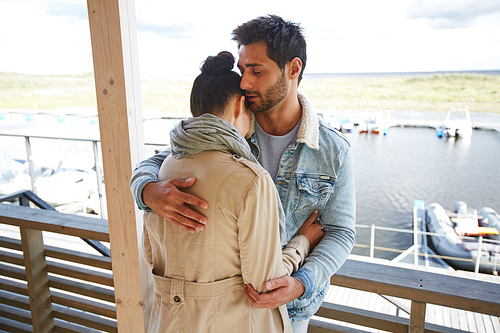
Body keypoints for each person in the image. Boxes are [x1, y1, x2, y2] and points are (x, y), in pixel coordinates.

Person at [131, 15, 356, 333]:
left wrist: (302, 282)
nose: (245, 82)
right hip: (231, 312)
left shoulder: (334, 151)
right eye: (243, 69)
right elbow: (163, 159)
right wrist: (146, 190)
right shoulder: (233, 126)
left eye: (256, 70)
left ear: (293, 69)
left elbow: (341, 232)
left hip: (294, 309)